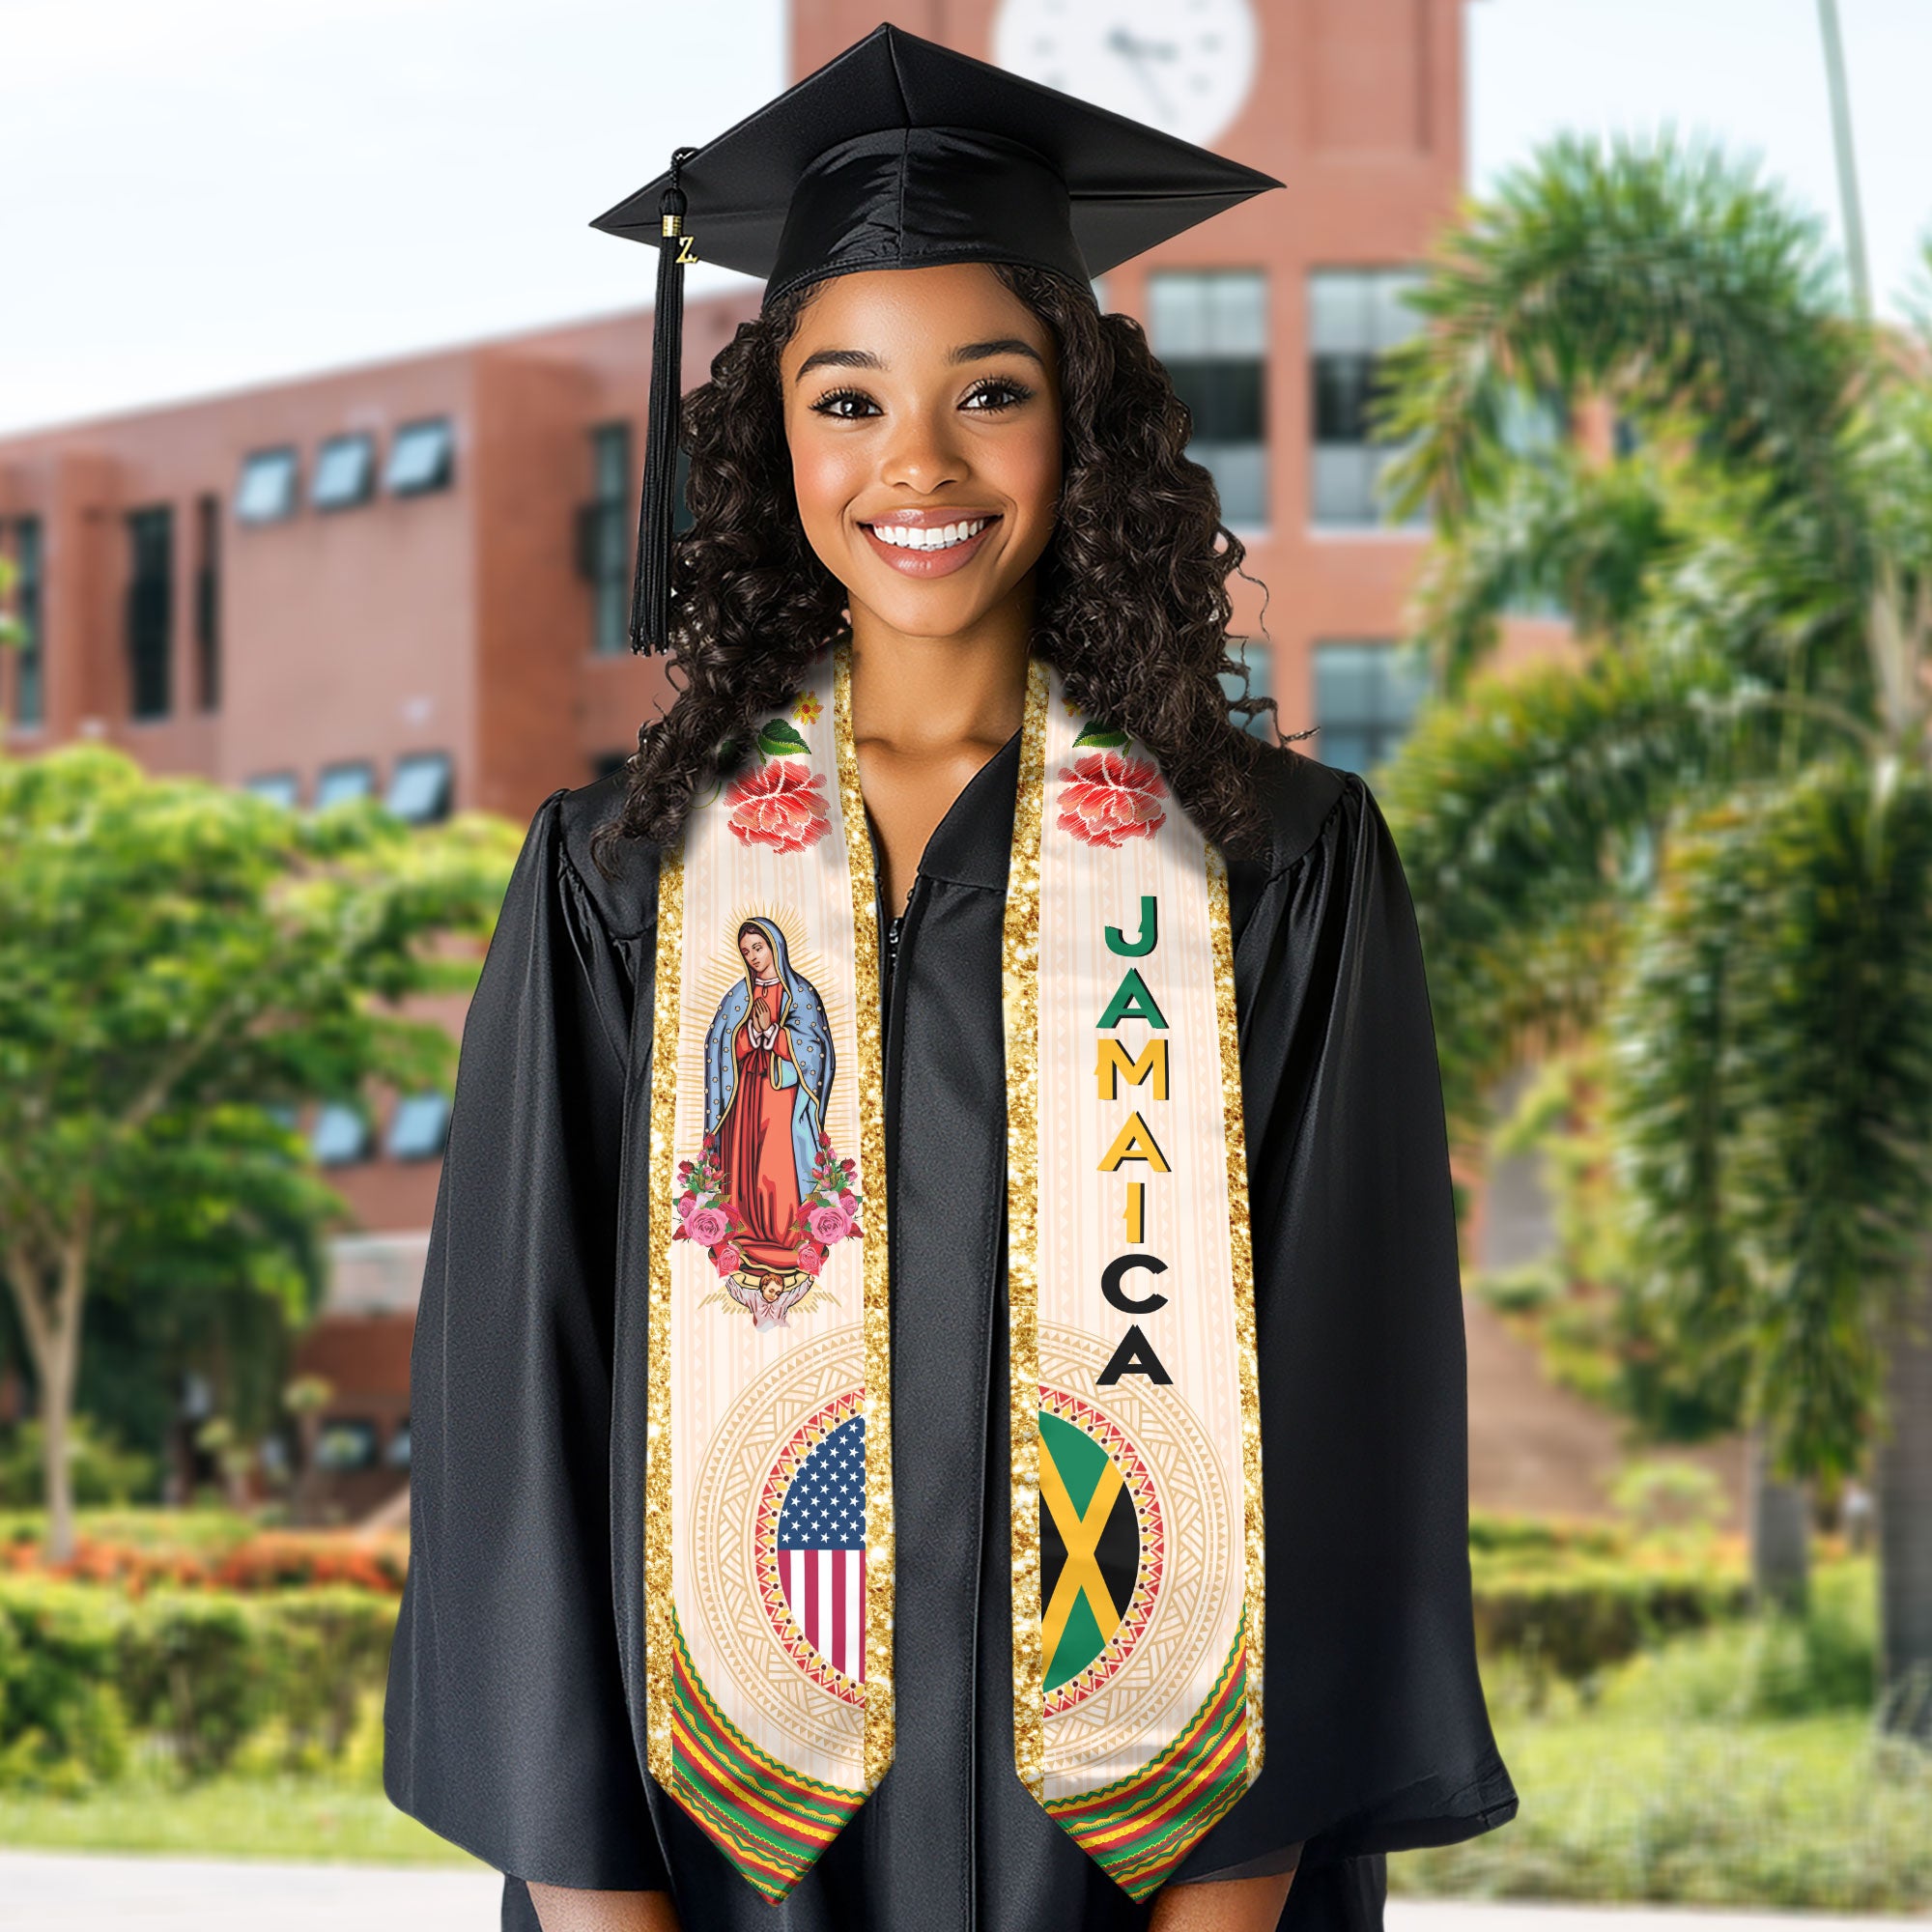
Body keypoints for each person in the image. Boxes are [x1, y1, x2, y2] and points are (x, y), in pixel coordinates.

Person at [383, 25, 1519, 1932]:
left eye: (986, 391)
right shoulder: (619, 882)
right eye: (846, 401)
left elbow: (1345, 1428)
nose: (916, 462)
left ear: (1080, 417)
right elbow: (518, 1421)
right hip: (713, 1864)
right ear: (770, 445)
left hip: (1145, 1865)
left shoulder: (1275, 865)